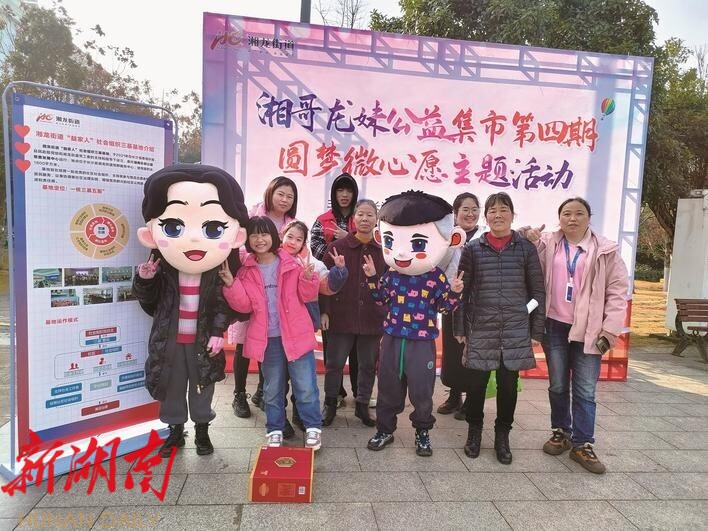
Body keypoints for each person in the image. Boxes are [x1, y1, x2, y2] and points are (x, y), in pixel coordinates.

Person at [133, 164, 249, 457]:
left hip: (203, 339)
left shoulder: (217, 268)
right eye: (174, 227)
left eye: (212, 229)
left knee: (202, 386)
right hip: (169, 339)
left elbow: (222, 304)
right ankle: (175, 431)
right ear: (150, 234)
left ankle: (202, 430)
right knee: (172, 386)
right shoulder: (163, 266)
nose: (194, 239)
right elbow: (150, 303)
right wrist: (145, 280)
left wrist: (218, 332)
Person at [526, 197, 628, 474]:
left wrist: (610, 330)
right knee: (558, 385)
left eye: (579, 213)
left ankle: (583, 443)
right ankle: (561, 431)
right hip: (554, 326)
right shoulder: (548, 243)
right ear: (559, 218)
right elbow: (526, 255)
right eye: (567, 214)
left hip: (590, 329)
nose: (572, 218)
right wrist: (529, 236)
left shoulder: (605, 251)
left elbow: (618, 292)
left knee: (584, 389)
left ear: (588, 218)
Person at [364, 191, 465, 457]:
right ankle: (385, 429)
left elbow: (444, 307)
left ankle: (422, 432)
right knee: (387, 387)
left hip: (422, 342)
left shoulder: (435, 277)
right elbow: (380, 299)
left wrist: (454, 293)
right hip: (392, 338)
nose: (402, 252)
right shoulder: (391, 275)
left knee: (422, 390)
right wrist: (373, 277)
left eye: (418, 243)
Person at [454, 192, 546, 465]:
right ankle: (474, 432)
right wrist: (460, 327)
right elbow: (462, 291)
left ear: (512, 215)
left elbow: (537, 292)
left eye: (503, 210)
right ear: (486, 217)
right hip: (481, 328)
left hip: (515, 330)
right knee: (476, 384)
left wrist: (534, 328)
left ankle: (502, 436)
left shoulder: (525, 248)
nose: (498, 215)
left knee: (508, 385)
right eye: (492, 211)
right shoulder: (473, 249)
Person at [220, 216, 323, 450]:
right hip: (269, 340)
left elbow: (307, 296)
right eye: (254, 235)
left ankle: (313, 428)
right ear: (248, 239)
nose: (260, 239)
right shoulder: (246, 271)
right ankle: (274, 429)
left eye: (264, 234)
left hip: (297, 336)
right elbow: (245, 306)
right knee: (273, 388)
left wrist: (309, 279)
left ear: (273, 237)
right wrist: (230, 284)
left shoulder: (292, 263)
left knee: (306, 386)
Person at [235, 175, 299, 415]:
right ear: (270, 193)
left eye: (290, 196)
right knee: (243, 342)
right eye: (280, 194)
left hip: (276, 290)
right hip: (251, 281)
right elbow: (239, 245)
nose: (284, 199)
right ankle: (239, 394)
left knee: (270, 341)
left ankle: (262, 391)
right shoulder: (253, 214)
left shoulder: (293, 223)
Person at [320, 199, 386, 427]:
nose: (365, 219)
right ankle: (330, 404)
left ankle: (362, 405)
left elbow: (391, 285)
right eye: (361, 214)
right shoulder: (338, 247)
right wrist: (325, 311)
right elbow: (324, 282)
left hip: (372, 316)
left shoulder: (384, 250)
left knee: (368, 364)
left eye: (370, 215)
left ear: (377, 219)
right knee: (334, 362)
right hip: (341, 315)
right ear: (353, 218)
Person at [310, 172, 360, 405]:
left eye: (349, 190)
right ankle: (336, 392)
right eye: (340, 190)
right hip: (332, 290)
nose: (344, 195)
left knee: (359, 346)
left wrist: (349, 237)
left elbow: (373, 248)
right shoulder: (323, 220)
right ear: (334, 193)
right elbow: (316, 250)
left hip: (359, 290)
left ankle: (360, 392)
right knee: (333, 347)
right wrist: (342, 245)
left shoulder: (362, 218)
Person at [437, 192, 483, 421]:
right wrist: (452, 246)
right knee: (453, 349)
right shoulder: (447, 236)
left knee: (473, 350)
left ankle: (472, 400)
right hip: (452, 299)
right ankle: (454, 396)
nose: (470, 214)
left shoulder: (485, 237)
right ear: (455, 213)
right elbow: (438, 264)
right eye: (465, 209)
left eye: (474, 209)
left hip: (477, 303)